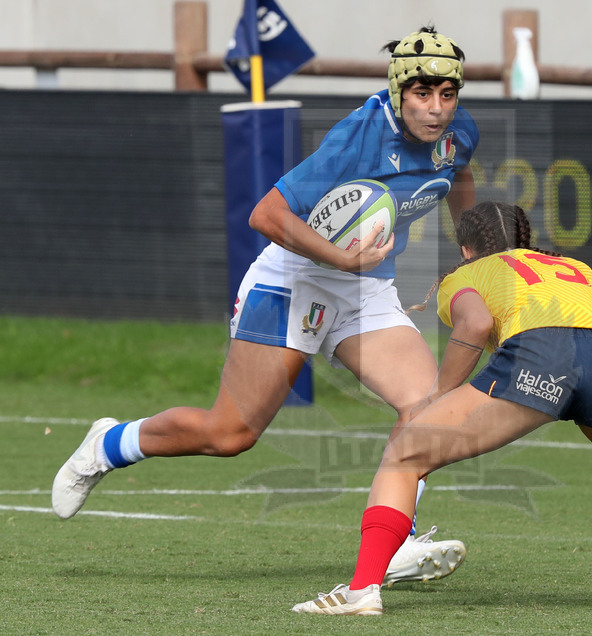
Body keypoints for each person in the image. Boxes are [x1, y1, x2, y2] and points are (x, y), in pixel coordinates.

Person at [51, 26, 478, 586]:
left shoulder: (459, 131)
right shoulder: (358, 137)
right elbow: (265, 215)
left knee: (426, 410)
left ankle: (394, 542)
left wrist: (472, 254)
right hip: (295, 281)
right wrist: (341, 258)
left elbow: (459, 175)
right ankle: (109, 444)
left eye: (447, 94)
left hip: (365, 289)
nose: (437, 108)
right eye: (423, 94)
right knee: (229, 434)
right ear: (399, 92)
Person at [291, 201, 592, 615]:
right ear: (526, 239)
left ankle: (361, 591)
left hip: (540, 362)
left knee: (405, 456)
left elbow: (475, 324)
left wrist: (437, 398)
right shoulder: (577, 270)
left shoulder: (466, 275)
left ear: (466, 249)